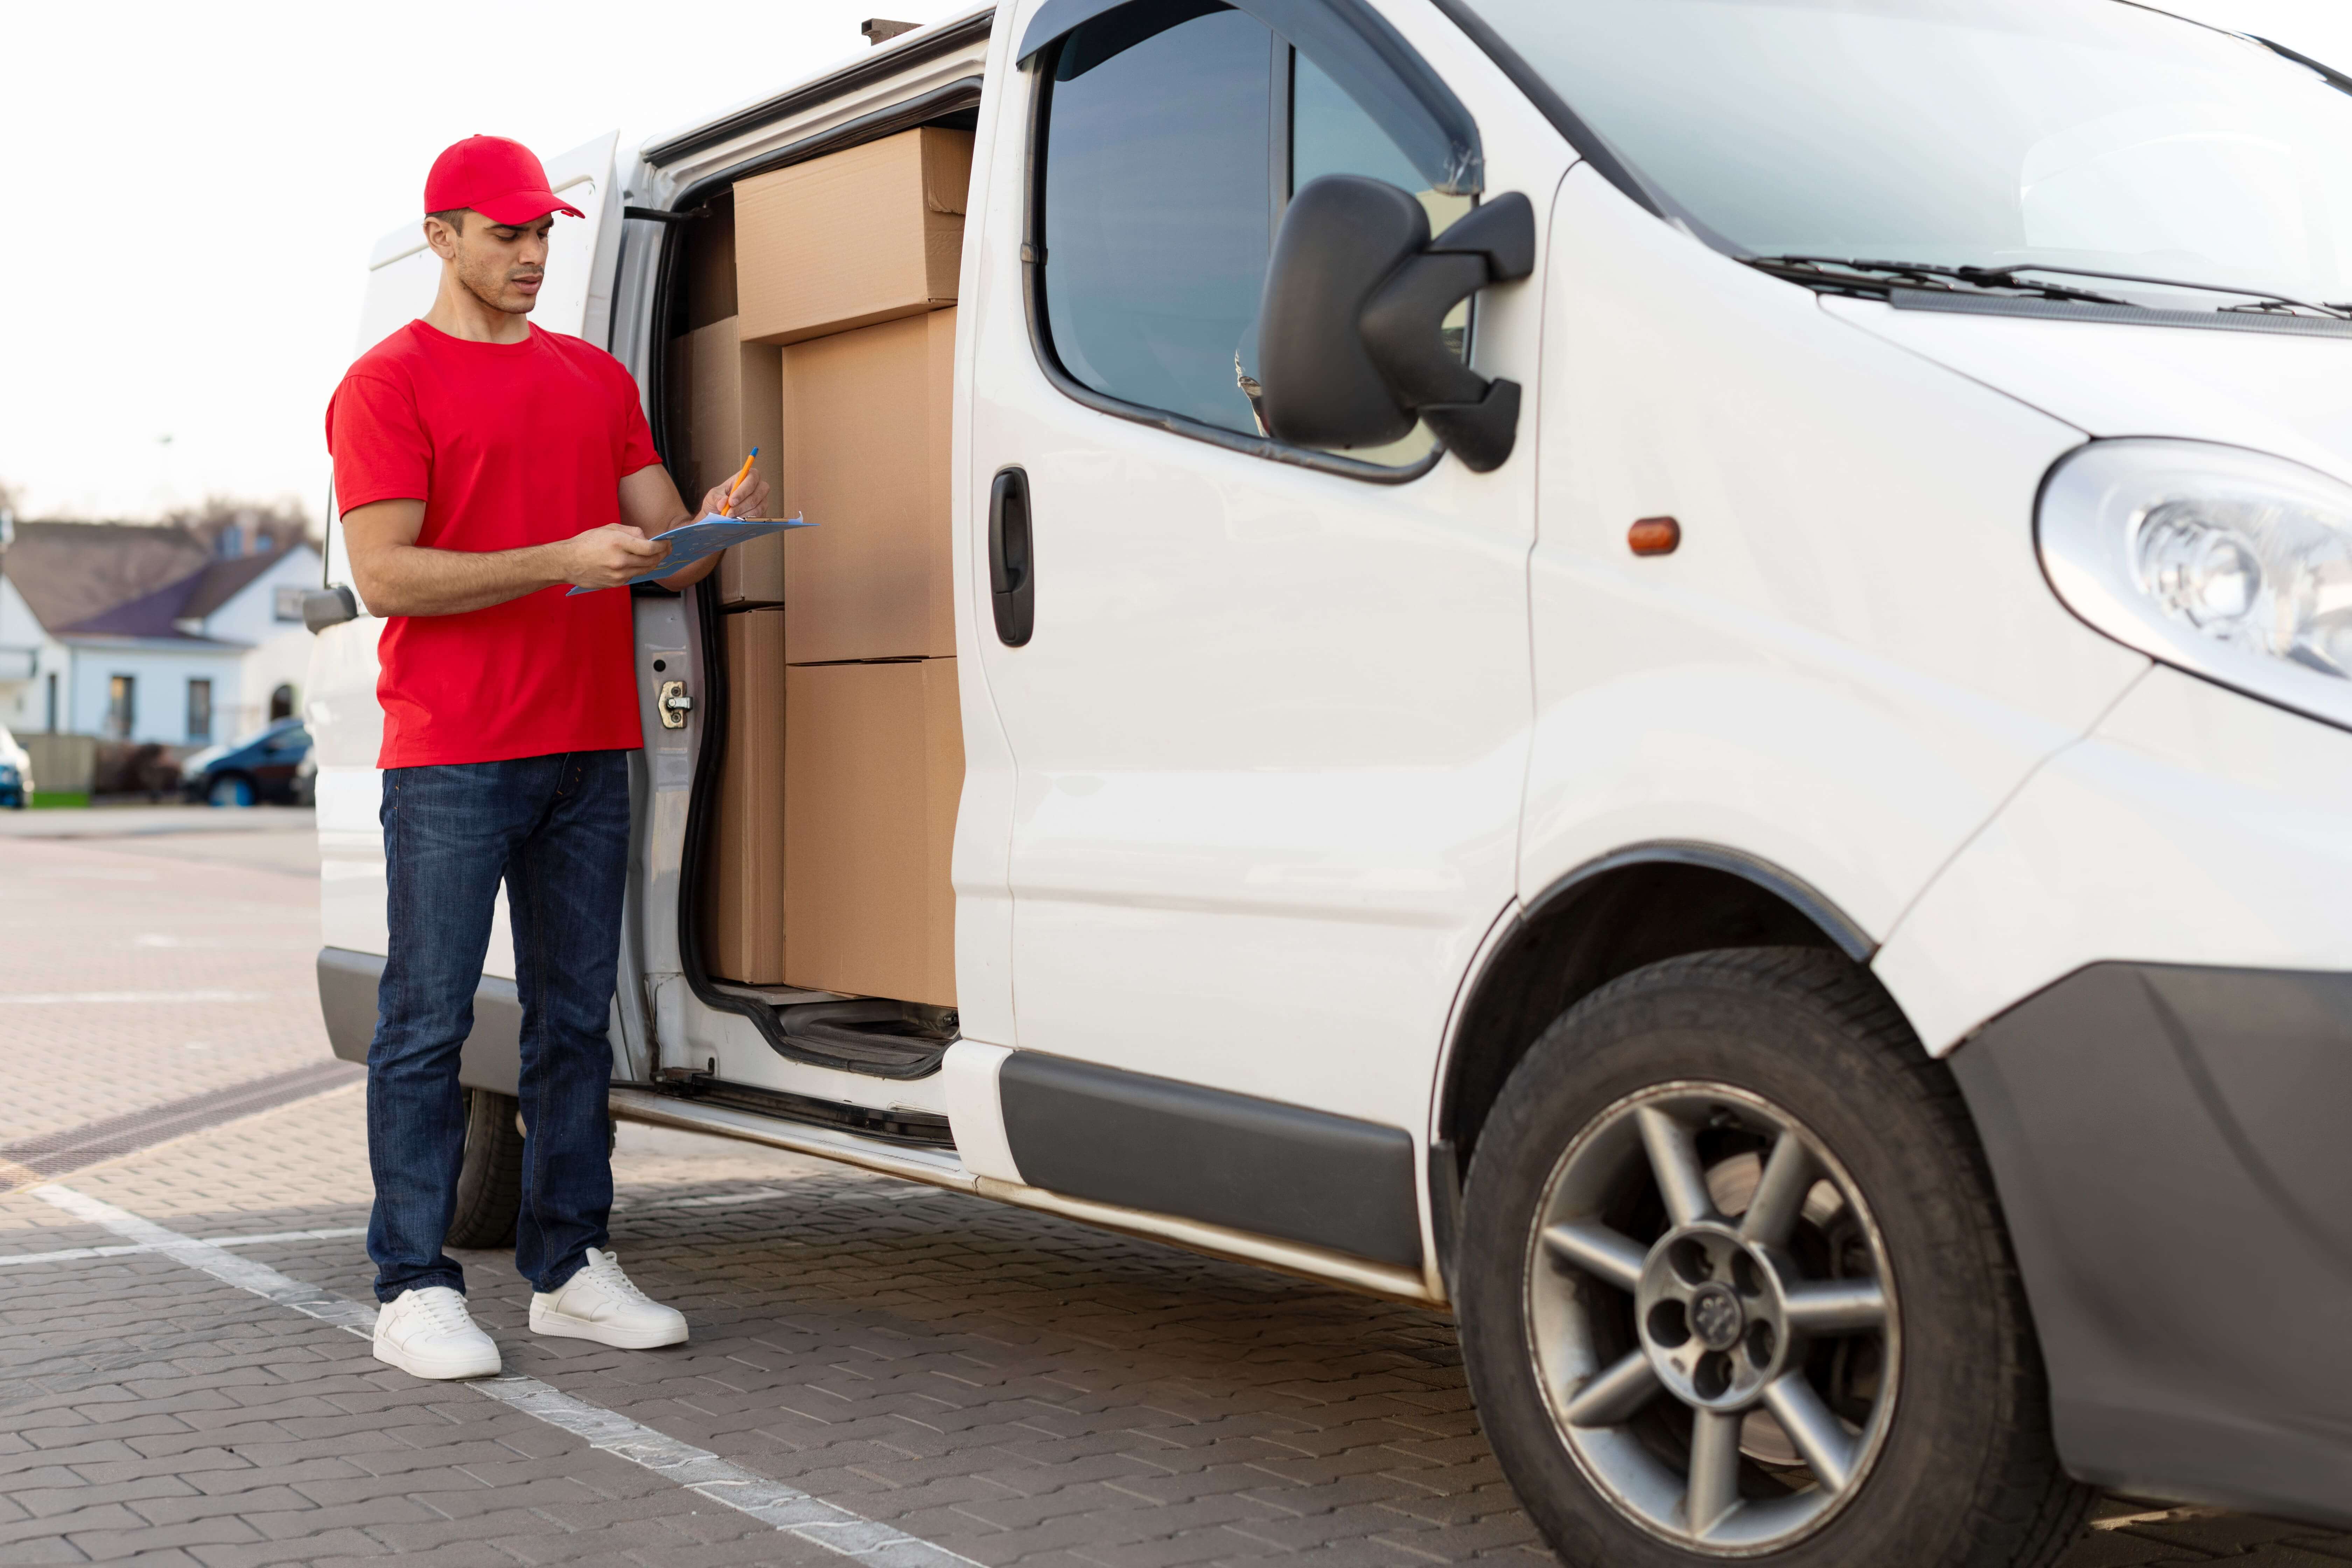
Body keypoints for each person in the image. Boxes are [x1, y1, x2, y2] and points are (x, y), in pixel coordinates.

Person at [327, 134, 769, 1380]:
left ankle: (569, 1265)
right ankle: (412, 1285)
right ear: (445, 238)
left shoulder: (591, 379)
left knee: (576, 1021)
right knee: (425, 1022)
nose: (529, 257)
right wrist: (557, 562)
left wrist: (713, 528)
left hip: (592, 746)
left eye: (542, 236)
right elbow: (385, 575)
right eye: (506, 234)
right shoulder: (387, 385)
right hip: (456, 753)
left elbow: (663, 544)